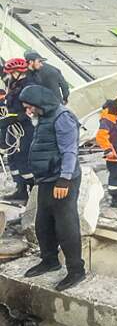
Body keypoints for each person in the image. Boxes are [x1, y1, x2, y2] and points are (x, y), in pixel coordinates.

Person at [19, 85, 85, 291]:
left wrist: (64, 179)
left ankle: (76, 270)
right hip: (47, 180)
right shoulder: (44, 117)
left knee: (66, 225)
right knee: (43, 223)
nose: (28, 111)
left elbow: (69, 151)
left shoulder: (62, 117)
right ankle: (50, 260)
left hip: (62, 180)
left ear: (40, 103)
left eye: (30, 107)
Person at [0, 58, 36, 201]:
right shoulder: (14, 84)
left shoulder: (29, 86)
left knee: (23, 160)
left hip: (25, 128)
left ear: (19, 72)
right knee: (13, 159)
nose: (9, 76)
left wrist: (11, 118)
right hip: (13, 128)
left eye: (12, 73)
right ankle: (20, 189)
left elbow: (29, 111)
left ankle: (33, 191)